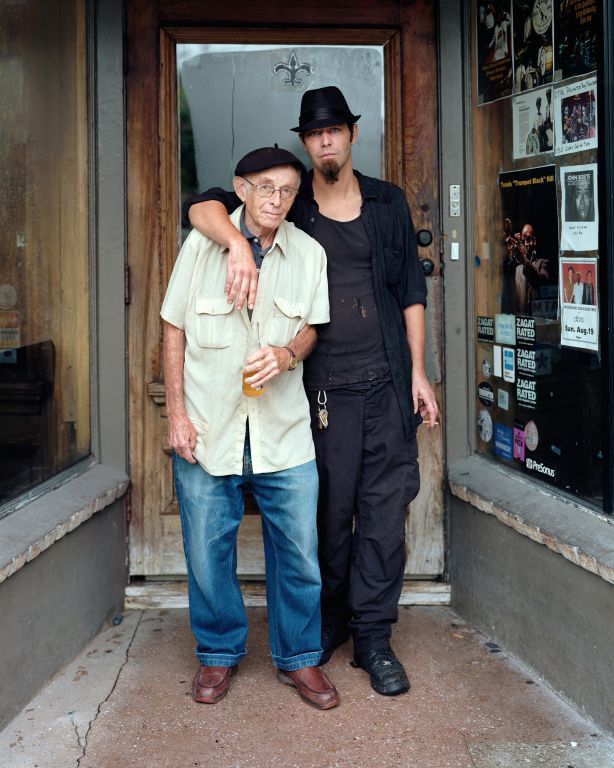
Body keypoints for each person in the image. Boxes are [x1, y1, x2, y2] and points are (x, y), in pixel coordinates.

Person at [183, 86, 439, 698]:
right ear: (306, 143)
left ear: (351, 134)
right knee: (326, 521)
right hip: (319, 393)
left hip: (384, 385)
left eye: (335, 130)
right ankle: (324, 628)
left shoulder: (386, 203)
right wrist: (239, 244)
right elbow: (203, 208)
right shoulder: (289, 207)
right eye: (314, 133)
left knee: (382, 518)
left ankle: (374, 638)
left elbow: (410, 291)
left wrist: (418, 372)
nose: (325, 140)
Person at [161, 145, 340, 710]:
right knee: (206, 550)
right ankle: (217, 655)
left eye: (288, 190)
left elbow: (313, 327)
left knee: (299, 552)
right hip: (210, 427)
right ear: (240, 189)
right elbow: (173, 330)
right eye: (266, 188)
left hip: (282, 431)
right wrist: (176, 416)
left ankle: (300, 658)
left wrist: (288, 355)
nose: (277, 200)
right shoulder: (203, 243)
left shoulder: (310, 253)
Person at [503, 221, 551, 314]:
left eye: (528, 239)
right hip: (520, 316)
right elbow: (506, 272)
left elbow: (540, 281)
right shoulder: (518, 266)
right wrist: (511, 255)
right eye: (523, 239)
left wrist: (525, 261)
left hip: (536, 314)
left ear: (534, 240)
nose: (525, 243)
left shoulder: (543, 262)